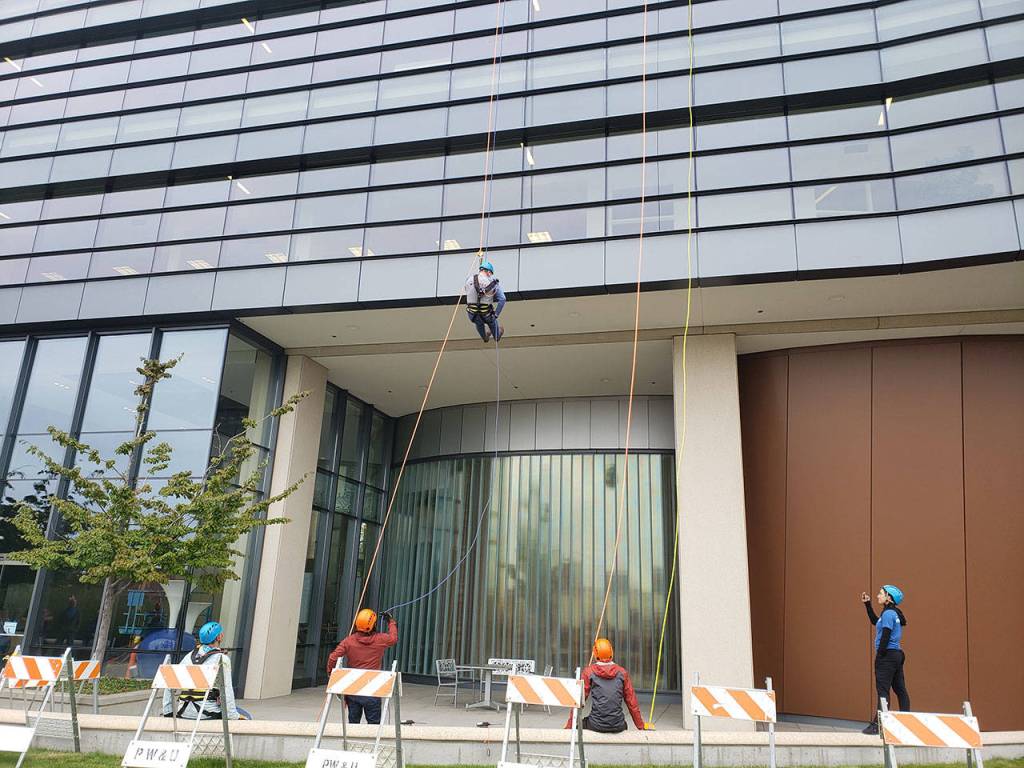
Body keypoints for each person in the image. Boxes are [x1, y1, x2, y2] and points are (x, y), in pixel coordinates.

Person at [326, 608, 398, 725]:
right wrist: (391, 621)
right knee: (374, 726)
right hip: (372, 690)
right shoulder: (380, 639)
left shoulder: (349, 641)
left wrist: (330, 674)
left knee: (353, 725)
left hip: (353, 691)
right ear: (373, 625)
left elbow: (333, 658)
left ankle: (353, 743)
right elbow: (394, 638)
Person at [162, 621, 242, 721]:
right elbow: (227, 690)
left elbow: (170, 685)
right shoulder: (221, 659)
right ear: (218, 637)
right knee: (244, 715)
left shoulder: (188, 656)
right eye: (221, 633)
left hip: (184, 712)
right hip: (208, 713)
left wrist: (168, 711)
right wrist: (233, 716)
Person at [574, 638, 653, 733]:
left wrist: (569, 725)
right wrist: (641, 725)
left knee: (580, 724)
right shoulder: (622, 672)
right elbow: (632, 703)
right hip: (618, 725)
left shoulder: (589, 672)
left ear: (595, 654)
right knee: (624, 724)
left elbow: (578, 701)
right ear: (612, 652)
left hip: (595, 724)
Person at [861, 585, 910, 734]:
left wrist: (880, 654)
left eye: (881, 593)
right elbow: (876, 622)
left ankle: (878, 725)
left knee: (883, 690)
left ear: (889, 597)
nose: (878, 595)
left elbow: (886, 634)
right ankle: (907, 723)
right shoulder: (892, 613)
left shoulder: (888, 613)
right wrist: (867, 604)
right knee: (900, 689)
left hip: (887, 656)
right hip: (896, 655)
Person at [465, 261, 506, 343]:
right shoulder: (493, 283)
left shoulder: (468, 280)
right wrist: (496, 314)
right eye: (491, 273)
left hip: (472, 313)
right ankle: (497, 336)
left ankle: (485, 337)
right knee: (492, 322)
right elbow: (502, 299)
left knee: (478, 322)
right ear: (488, 272)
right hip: (486, 313)